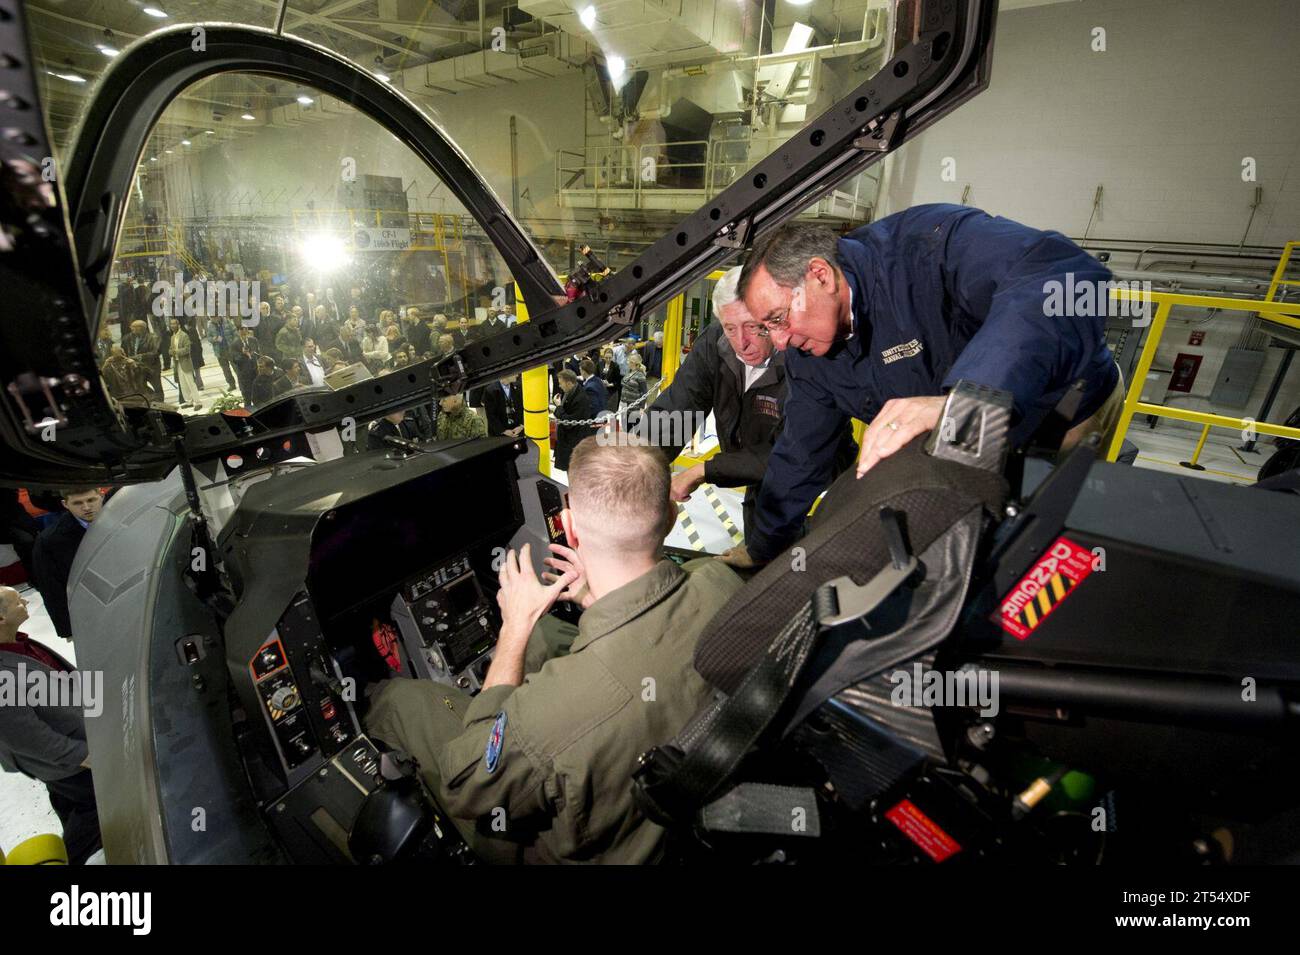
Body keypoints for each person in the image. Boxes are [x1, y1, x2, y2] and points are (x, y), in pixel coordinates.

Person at [364, 438, 744, 863]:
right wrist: (590, 598)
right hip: (678, 815)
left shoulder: (547, 720)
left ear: (570, 526)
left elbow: (465, 785)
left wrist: (513, 628)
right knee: (546, 635)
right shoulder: (721, 583)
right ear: (671, 517)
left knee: (402, 699)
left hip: (562, 845)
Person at [734, 208, 1124, 565]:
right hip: (962, 448)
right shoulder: (810, 356)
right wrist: (763, 549)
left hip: (1060, 414)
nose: (779, 342)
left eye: (779, 318)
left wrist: (969, 397)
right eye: (767, 328)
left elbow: (1066, 281)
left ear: (819, 275)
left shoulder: (927, 248)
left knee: (1044, 558)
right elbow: (802, 454)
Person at [0, 586, 102, 864]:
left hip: (71, 747)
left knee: (72, 803)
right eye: (16, 601)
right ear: (1, 619)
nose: (24, 600)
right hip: (67, 762)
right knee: (97, 810)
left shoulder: (17, 643)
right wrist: (84, 756)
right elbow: (29, 738)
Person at [32, 488, 103, 640]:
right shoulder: (50, 541)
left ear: (101, 496)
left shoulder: (122, 521)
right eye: (78, 503)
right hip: (88, 611)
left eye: (91, 500)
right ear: (65, 504)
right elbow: (51, 588)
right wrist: (67, 629)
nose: (86, 507)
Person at [553, 369, 595, 472]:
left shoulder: (580, 399)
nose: (559, 386)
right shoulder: (568, 392)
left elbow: (569, 423)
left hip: (573, 442)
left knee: (573, 471)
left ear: (569, 383)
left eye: (561, 383)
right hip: (567, 440)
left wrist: (558, 407)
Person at [120, 319, 164, 401]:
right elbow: (123, 351)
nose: (131, 328)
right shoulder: (127, 338)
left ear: (141, 328)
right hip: (136, 368)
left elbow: (155, 352)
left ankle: (161, 404)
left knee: (157, 387)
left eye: (133, 327)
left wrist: (139, 357)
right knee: (140, 388)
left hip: (152, 368)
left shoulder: (153, 337)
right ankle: (151, 401)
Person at [168, 318, 202, 409]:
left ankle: (197, 402)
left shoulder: (184, 335)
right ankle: (189, 401)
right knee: (183, 384)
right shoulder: (172, 337)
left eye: (174, 324)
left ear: (178, 325)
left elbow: (187, 349)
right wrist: (171, 352)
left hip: (185, 362)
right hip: (178, 363)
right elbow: (171, 349)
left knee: (191, 383)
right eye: (171, 324)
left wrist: (176, 351)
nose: (172, 326)